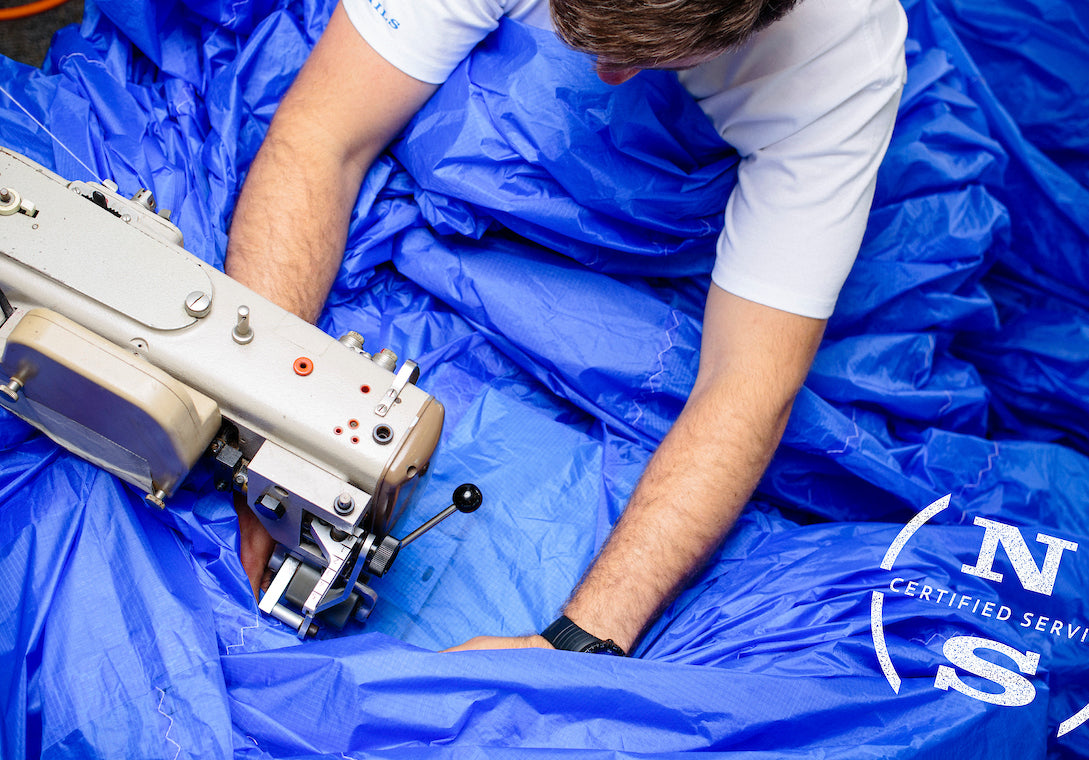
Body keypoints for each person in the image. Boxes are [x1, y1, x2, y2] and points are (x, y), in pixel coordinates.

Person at [227, 0, 907, 656]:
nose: (607, 76)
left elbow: (747, 382)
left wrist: (581, 639)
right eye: (580, 33)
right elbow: (322, 138)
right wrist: (275, 430)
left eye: (643, 56)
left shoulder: (842, 53)